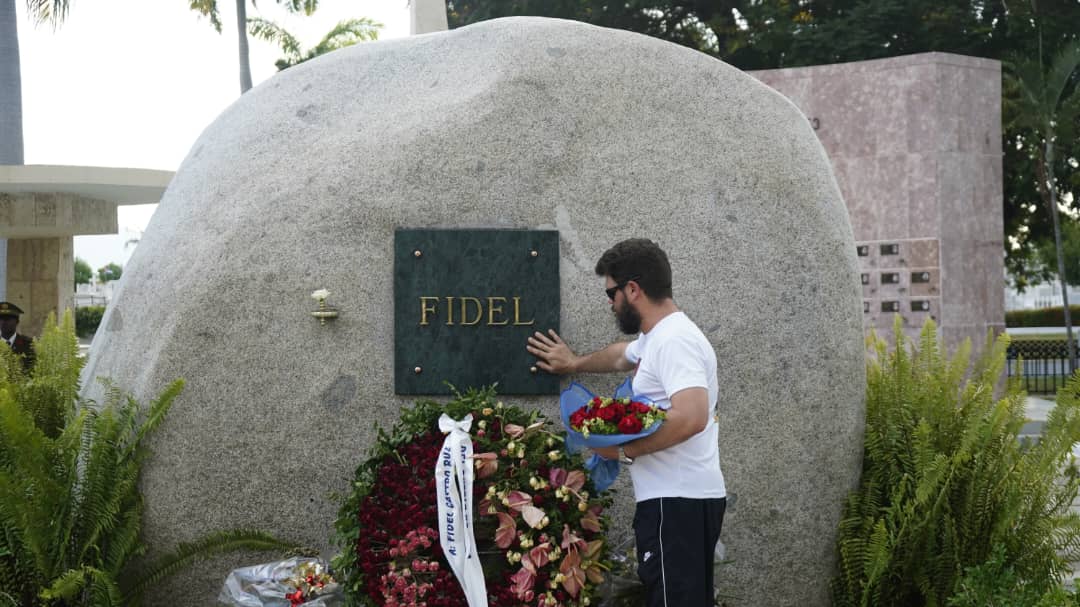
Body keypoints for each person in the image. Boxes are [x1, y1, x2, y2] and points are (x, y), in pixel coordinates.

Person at [526, 238, 726, 607]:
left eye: (611, 293)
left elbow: (693, 414)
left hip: (676, 502)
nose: (610, 304)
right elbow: (623, 356)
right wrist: (574, 363)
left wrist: (623, 450)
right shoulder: (656, 338)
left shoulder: (675, 341)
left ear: (632, 289)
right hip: (676, 500)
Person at [0, 302, 34, 371]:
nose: (3, 322)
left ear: (17, 321)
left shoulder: (28, 344)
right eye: (1, 319)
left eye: (7, 319)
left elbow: (32, 369)